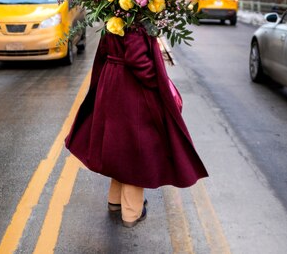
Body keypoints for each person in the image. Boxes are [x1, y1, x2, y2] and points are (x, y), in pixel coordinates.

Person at [65, 25, 208, 227]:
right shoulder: (133, 15)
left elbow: (105, 48)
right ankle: (131, 212)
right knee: (136, 148)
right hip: (130, 86)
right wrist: (158, 83)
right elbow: (136, 58)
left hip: (112, 80)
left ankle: (115, 201)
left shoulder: (112, 11)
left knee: (119, 144)